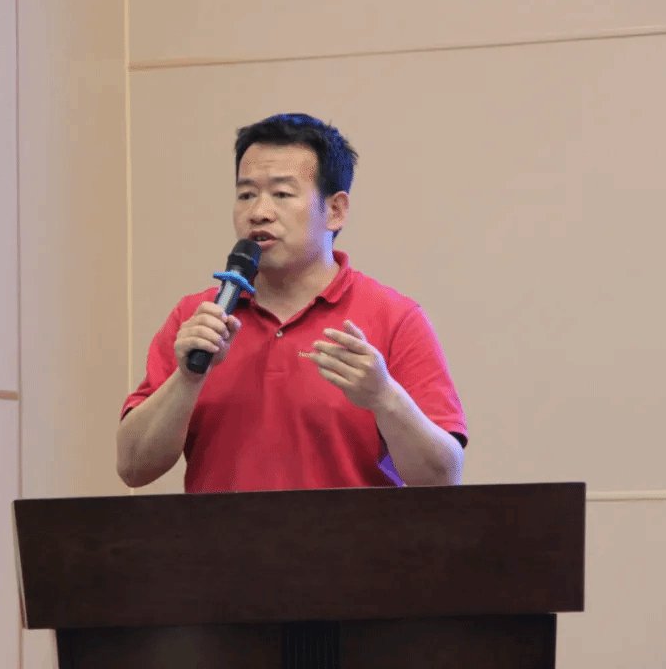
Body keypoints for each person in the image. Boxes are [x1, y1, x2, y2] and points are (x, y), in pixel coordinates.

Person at [117, 113, 466, 493]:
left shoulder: (395, 318)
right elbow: (133, 468)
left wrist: (385, 397)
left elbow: (442, 479)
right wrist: (187, 378)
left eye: (282, 194)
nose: (258, 213)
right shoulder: (200, 318)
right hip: (215, 535)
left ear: (335, 211)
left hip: (354, 534)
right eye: (246, 195)